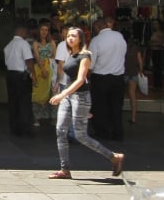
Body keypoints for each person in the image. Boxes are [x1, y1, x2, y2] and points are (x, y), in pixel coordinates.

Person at [47, 27, 125, 179]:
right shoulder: (71, 54)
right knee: (60, 131)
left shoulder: (85, 55)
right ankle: (65, 169)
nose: (70, 38)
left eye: (73, 36)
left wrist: (62, 94)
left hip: (80, 97)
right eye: (68, 36)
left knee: (81, 135)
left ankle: (114, 157)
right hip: (69, 97)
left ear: (80, 39)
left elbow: (81, 79)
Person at [88, 16, 127, 140]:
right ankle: (117, 132)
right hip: (118, 78)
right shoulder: (119, 36)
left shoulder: (96, 40)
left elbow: (91, 63)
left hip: (101, 78)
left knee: (100, 107)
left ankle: (103, 132)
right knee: (116, 107)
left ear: (98, 27)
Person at [3, 22, 36, 137]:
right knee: (24, 103)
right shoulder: (24, 44)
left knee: (13, 102)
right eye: (26, 33)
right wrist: (34, 75)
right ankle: (25, 129)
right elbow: (29, 61)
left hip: (10, 75)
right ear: (21, 32)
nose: (26, 34)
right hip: (21, 76)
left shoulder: (8, 45)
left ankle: (14, 128)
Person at [32, 19, 56, 127]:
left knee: (52, 93)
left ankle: (52, 117)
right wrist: (42, 68)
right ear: (39, 31)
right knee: (38, 93)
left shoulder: (52, 42)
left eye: (46, 30)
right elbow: (37, 58)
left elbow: (54, 56)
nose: (44, 32)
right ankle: (37, 118)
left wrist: (48, 66)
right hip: (39, 69)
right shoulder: (35, 43)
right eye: (42, 30)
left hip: (51, 68)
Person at [125, 37, 144, 124]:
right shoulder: (136, 48)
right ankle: (133, 117)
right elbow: (140, 60)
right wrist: (140, 70)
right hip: (134, 72)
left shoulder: (123, 47)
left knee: (120, 94)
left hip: (123, 72)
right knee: (133, 95)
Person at [147, 19, 164, 90]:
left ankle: (159, 85)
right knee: (155, 68)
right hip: (154, 51)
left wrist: (154, 43)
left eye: (156, 24)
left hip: (159, 52)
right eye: (154, 24)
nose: (154, 25)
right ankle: (156, 85)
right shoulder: (153, 33)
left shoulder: (162, 33)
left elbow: (163, 43)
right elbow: (150, 43)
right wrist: (153, 43)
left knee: (159, 68)